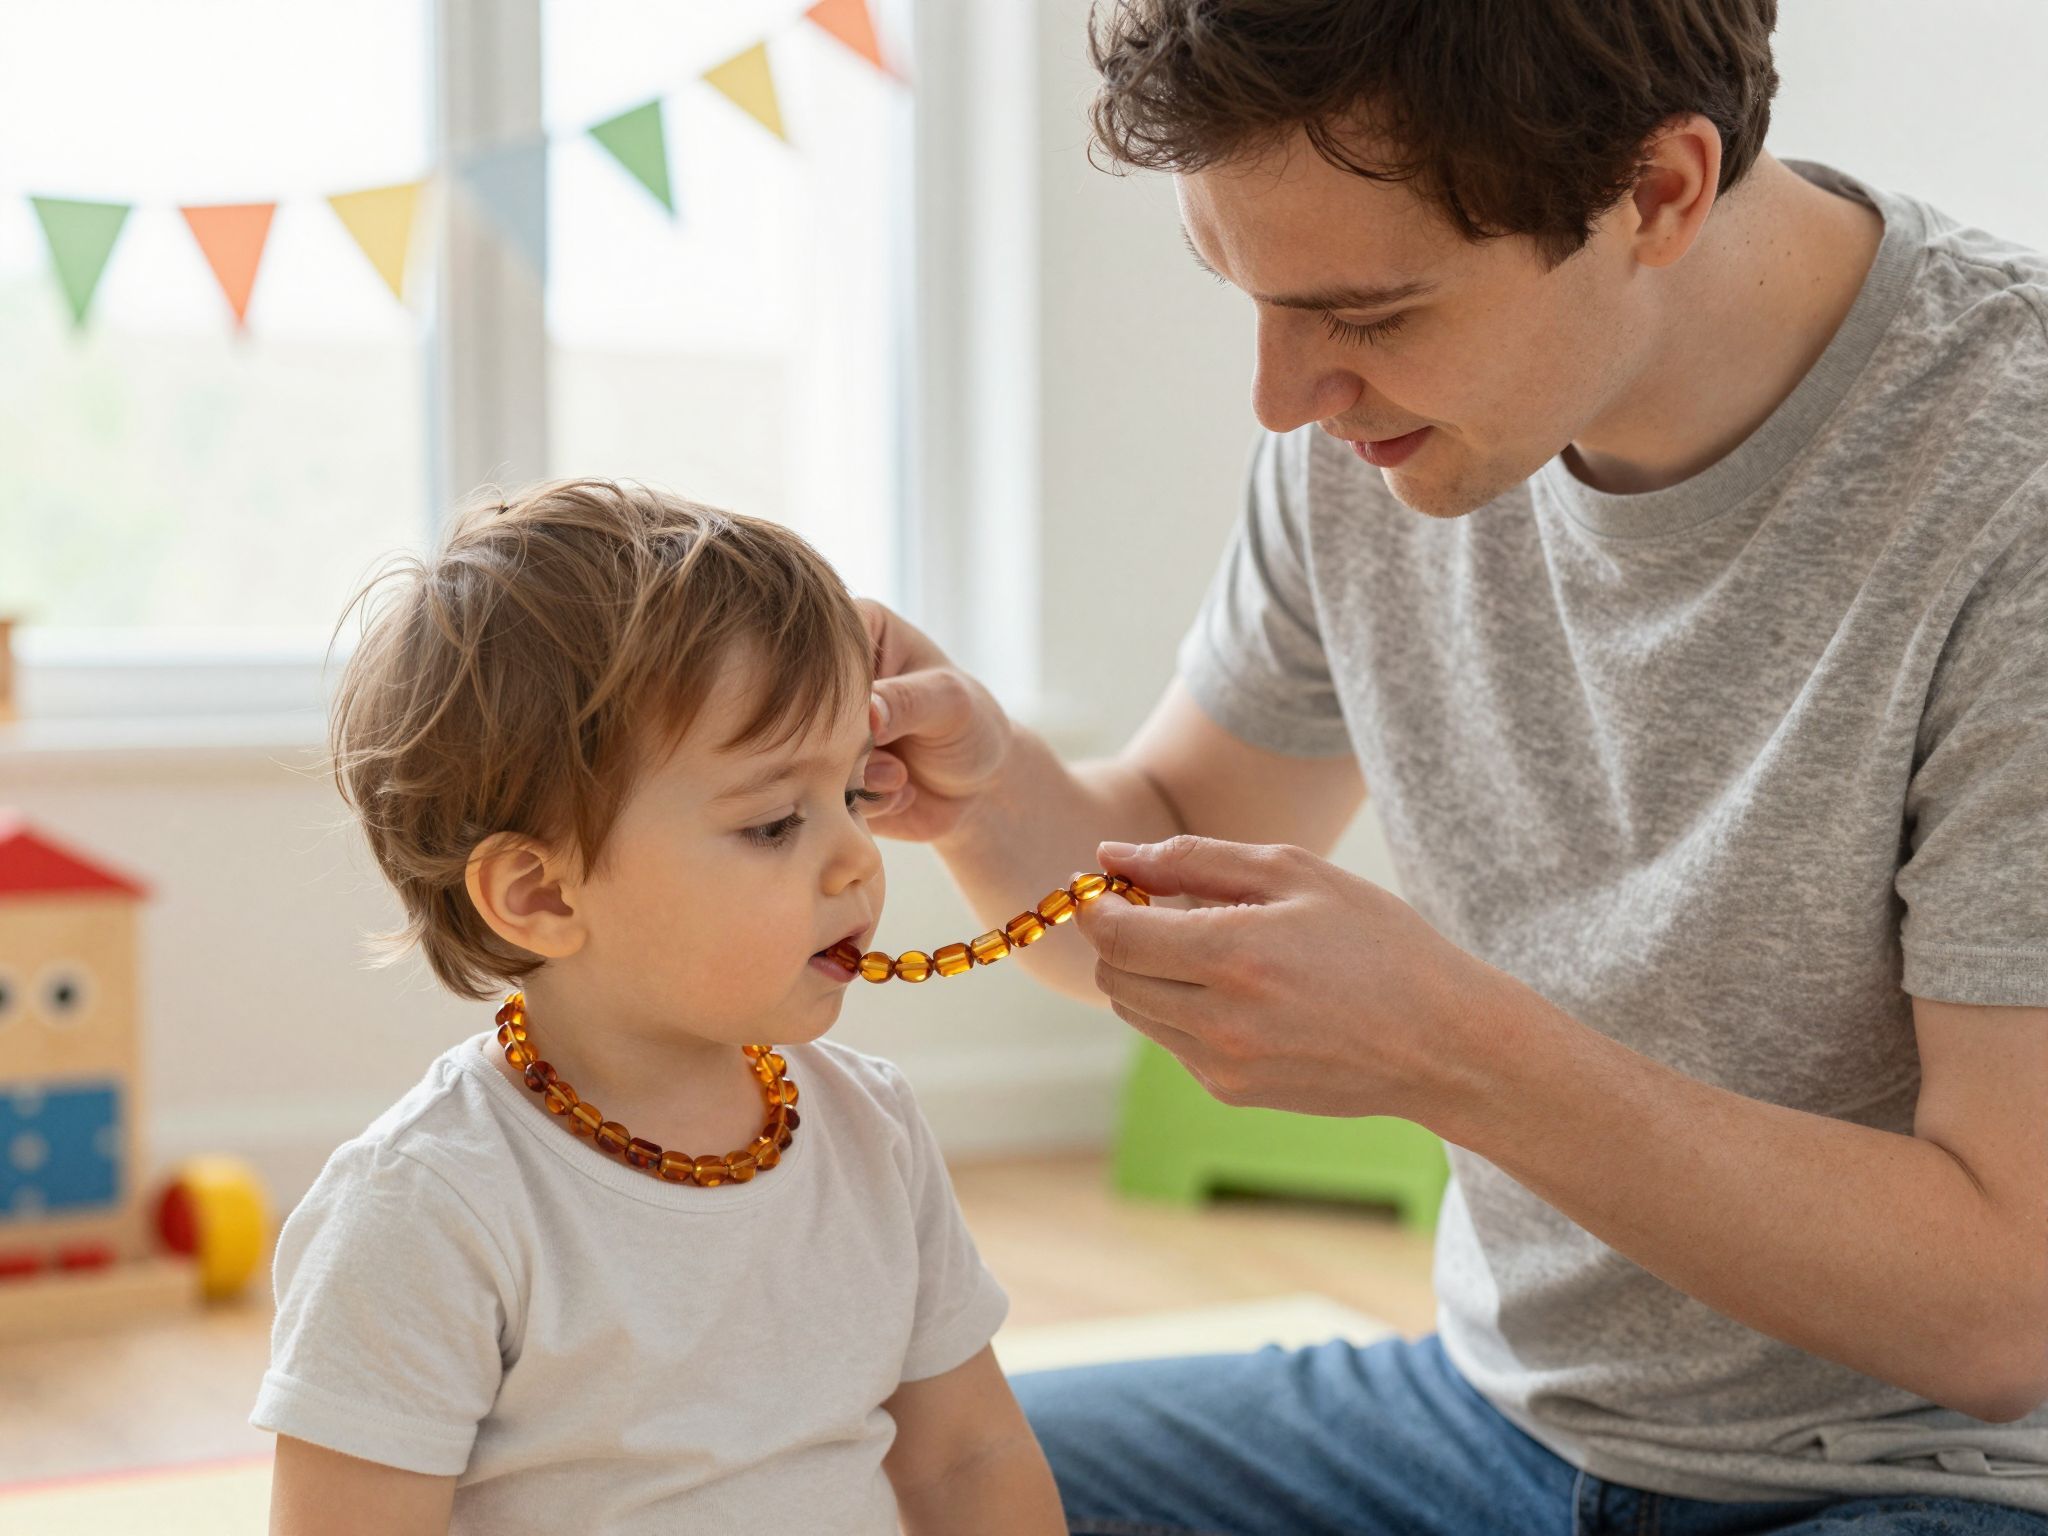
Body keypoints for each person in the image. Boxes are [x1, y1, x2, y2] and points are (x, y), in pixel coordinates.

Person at [854, 1, 2048, 1531]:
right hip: (1480, 1422)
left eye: (1368, 314)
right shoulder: (1368, 440)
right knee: (834, 1472)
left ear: (1660, 193)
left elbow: (2005, 1309)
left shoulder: (2004, 487)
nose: (1284, 398)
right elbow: (1166, 847)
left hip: (1937, 1477)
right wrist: (988, 779)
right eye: (1250, 295)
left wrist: (1452, 1051)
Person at [253, 481, 1064, 1535]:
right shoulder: (428, 1210)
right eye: (776, 822)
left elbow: (966, 1456)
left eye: (855, 795)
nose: (858, 857)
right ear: (542, 894)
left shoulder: (875, 1132)